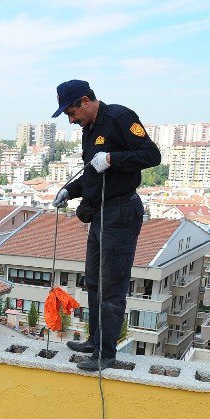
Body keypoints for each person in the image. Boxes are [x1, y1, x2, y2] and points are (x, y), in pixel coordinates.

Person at [51, 80, 161, 371]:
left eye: (72, 113)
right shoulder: (90, 129)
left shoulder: (119, 118)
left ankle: (106, 353)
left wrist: (113, 158)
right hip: (100, 213)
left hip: (121, 211)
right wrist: (70, 190)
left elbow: (152, 155)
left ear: (85, 101)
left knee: (111, 285)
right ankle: (95, 341)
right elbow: (92, 172)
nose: (72, 120)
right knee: (94, 280)